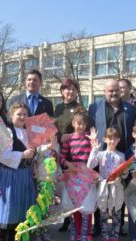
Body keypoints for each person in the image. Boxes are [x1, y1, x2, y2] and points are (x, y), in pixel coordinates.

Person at [88, 79, 136, 236]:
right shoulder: (94, 107)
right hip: (101, 156)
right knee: (100, 192)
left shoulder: (130, 109)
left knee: (118, 191)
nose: (114, 93)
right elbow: (90, 129)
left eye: (116, 90)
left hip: (121, 156)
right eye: (110, 91)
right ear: (104, 92)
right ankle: (98, 226)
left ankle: (119, 225)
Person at [0, 103, 37, 241]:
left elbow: (33, 154)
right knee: (7, 207)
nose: (23, 116)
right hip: (9, 174)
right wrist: (22, 155)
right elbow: (1, 155)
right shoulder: (7, 132)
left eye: (25, 114)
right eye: (19, 114)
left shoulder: (28, 132)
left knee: (20, 206)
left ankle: (12, 239)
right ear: (11, 115)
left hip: (24, 174)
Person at [87, 128, 126, 241]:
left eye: (115, 138)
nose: (112, 141)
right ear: (105, 139)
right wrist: (95, 149)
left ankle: (114, 238)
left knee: (117, 214)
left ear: (119, 140)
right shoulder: (101, 154)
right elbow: (90, 165)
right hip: (104, 188)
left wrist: (124, 173)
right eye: (110, 138)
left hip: (116, 187)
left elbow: (124, 173)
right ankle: (105, 238)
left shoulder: (121, 155)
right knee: (103, 214)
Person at [60, 108, 94, 241]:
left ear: (86, 125)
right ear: (73, 123)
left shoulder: (89, 138)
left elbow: (95, 154)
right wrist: (67, 164)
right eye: (78, 123)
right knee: (76, 206)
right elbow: (61, 157)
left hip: (86, 174)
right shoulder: (68, 139)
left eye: (83, 124)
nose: (80, 126)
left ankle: (88, 234)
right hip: (73, 174)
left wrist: (94, 142)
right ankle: (79, 232)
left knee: (87, 205)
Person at [54, 79, 83, 232]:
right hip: (60, 150)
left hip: (74, 151)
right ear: (62, 91)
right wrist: (59, 138)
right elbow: (53, 129)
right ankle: (66, 218)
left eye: (73, 89)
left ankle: (76, 219)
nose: (70, 92)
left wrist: (71, 136)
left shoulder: (80, 108)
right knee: (63, 186)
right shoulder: (57, 108)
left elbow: (82, 127)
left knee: (74, 187)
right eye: (67, 89)